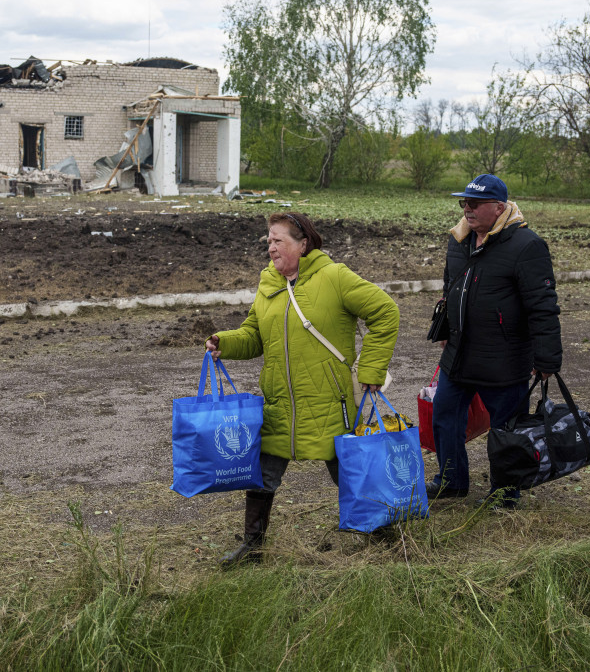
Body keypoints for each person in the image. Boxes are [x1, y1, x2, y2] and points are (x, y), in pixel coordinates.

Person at [206, 212, 399, 567]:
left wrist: (372, 368)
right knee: (262, 473)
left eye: (279, 240)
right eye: (268, 240)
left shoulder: (335, 277)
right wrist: (225, 342)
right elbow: (253, 336)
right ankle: (253, 545)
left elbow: (385, 312)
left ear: (303, 244)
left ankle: (385, 534)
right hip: (279, 402)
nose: (271, 247)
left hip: (329, 402)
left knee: (349, 469)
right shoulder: (269, 286)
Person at [427, 174, 562, 509]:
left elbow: (542, 306)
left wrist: (547, 360)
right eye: (464, 203)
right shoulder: (459, 240)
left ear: (499, 207)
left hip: (504, 359)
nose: (467, 210)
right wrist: (445, 330)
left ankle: (505, 492)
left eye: (475, 204)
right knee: (444, 416)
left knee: (506, 431)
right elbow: (451, 290)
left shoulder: (527, 245)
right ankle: (451, 481)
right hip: (459, 355)